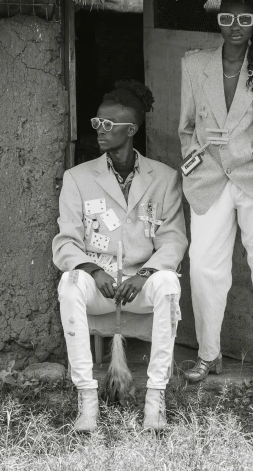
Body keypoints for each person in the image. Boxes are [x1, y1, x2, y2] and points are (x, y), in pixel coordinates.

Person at [53, 80, 188, 432]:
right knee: (69, 286)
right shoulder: (78, 178)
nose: (99, 130)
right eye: (97, 123)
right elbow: (66, 240)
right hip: (100, 289)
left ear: (131, 130)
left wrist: (144, 275)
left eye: (109, 125)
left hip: (138, 288)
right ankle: (87, 399)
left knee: (169, 285)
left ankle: (155, 399)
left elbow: (173, 241)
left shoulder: (164, 178)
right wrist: (91, 270)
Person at [178, 0, 253, 393]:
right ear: (219, 22)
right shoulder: (194, 65)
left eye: (245, 21)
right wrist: (197, 153)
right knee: (205, 266)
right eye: (229, 19)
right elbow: (186, 126)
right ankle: (209, 355)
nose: (237, 28)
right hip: (209, 177)